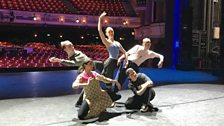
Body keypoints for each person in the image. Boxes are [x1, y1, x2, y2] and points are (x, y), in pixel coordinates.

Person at [49, 40, 104, 107]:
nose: (72, 47)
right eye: (69, 46)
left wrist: (58, 60)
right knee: (90, 85)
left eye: (72, 45)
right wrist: (57, 60)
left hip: (91, 66)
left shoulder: (77, 53)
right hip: (85, 70)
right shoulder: (71, 55)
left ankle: (80, 102)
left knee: (90, 85)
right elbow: (73, 63)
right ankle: (82, 103)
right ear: (65, 49)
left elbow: (75, 63)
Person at [98, 11, 128, 90]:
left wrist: (126, 61)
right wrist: (100, 18)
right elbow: (99, 30)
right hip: (110, 61)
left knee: (104, 77)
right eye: (109, 32)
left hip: (114, 62)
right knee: (107, 77)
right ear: (107, 33)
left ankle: (103, 91)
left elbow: (125, 52)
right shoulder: (107, 42)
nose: (111, 33)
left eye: (112, 31)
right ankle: (107, 94)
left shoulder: (117, 43)